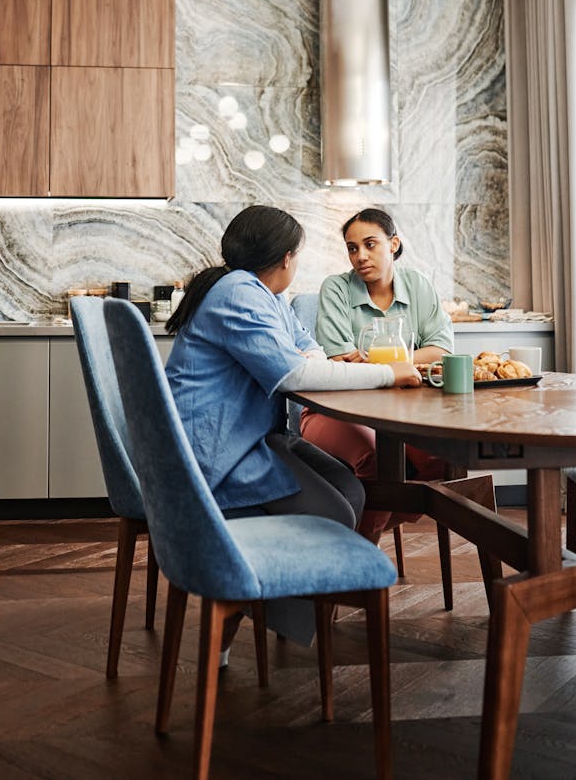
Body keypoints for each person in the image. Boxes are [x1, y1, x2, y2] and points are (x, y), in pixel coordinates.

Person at [165, 204, 421, 648]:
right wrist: (387, 371)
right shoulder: (238, 293)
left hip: (249, 438)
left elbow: (308, 352)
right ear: (286, 258)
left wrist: (323, 362)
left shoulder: (265, 296)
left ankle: (280, 615)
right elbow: (296, 374)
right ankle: (260, 610)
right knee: (335, 510)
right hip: (216, 450)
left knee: (352, 489)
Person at [300, 206, 454, 541]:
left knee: (441, 458)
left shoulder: (418, 284)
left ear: (394, 244)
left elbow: (441, 350)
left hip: (404, 411)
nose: (360, 256)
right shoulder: (336, 289)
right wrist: (403, 367)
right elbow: (338, 362)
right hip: (335, 410)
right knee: (376, 457)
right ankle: (362, 560)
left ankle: (371, 525)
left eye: (370, 244)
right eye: (353, 248)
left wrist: (375, 363)